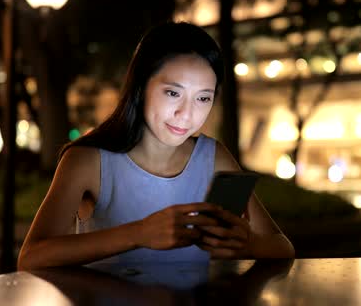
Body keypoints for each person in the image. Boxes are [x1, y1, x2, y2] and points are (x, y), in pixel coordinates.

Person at [18, 22, 294, 270]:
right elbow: (31, 257)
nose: (186, 114)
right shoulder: (88, 161)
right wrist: (139, 233)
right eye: (173, 93)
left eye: (203, 98)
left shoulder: (212, 157)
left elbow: (282, 246)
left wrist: (246, 245)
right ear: (141, 85)